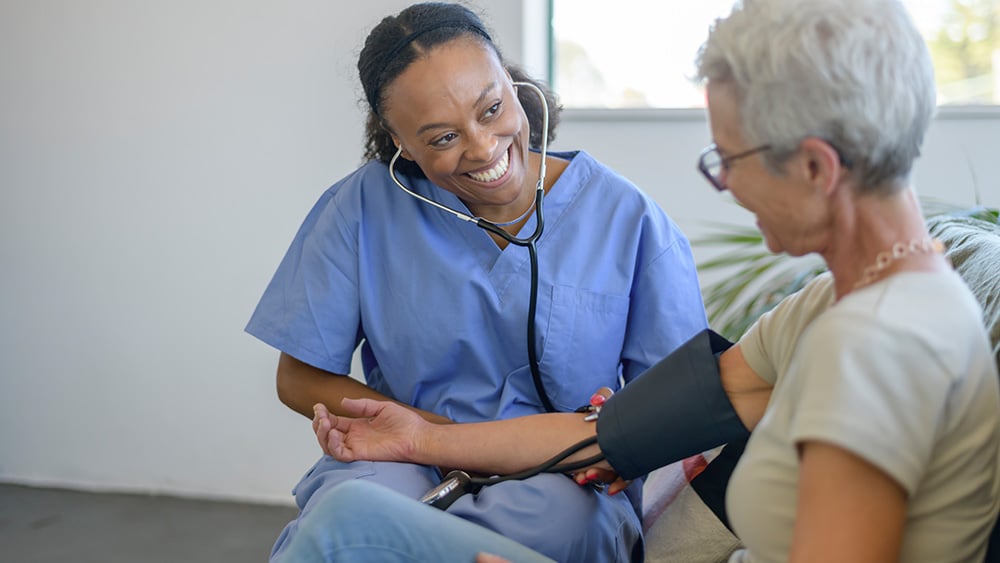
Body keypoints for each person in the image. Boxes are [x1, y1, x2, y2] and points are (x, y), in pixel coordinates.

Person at [299, 0, 1000, 561]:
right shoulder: (828, 305)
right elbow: (613, 433)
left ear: (815, 167)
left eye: (726, 157)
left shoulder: (880, 349)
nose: (722, 183)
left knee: (345, 529)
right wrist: (418, 439)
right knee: (353, 510)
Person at [244, 2, 708, 562]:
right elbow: (299, 377)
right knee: (351, 510)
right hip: (403, 457)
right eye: (442, 138)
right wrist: (426, 434)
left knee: (561, 526)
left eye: (491, 108)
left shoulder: (628, 220)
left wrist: (620, 438)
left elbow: (681, 406)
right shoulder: (360, 210)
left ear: (514, 87)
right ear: (398, 143)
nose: (484, 148)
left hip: (555, 477)